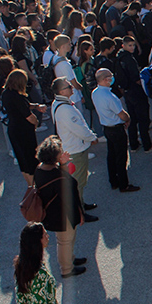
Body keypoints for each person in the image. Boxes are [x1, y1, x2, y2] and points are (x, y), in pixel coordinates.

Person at [33, 135, 88, 278]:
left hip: (52, 213)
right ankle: (67, 269)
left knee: (66, 240)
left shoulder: (40, 169)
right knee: (64, 241)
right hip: (62, 215)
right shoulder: (58, 176)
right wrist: (80, 214)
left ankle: (70, 258)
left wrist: (61, 164)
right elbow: (70, 188)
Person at [51, 79, 99, 213]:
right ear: (61, 91)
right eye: (68, 86)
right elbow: (79, 129)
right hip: (75, 150)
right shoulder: (65, 109)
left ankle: (81, 203)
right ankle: (79, 211)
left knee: (76, 181)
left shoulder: (57, 103)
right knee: (77, 181)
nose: (72, 87)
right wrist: (92, 138)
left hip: (69, 147)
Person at [92, 68, 139, 193]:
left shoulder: (95, 93)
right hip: (117, 128)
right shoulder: (110, 97)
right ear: (105, 79)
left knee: (111, 155)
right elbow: (122, 115)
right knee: (121, 157)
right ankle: (124, 185)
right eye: (110, 77)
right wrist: (128, 119)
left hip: (107, 128)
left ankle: (113, 181)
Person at [0, 70, 44, 186]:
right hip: (23, 131)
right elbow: (29, 117)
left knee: (22, 160)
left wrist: (35, 106)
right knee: (31, 160)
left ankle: (30, 186)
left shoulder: (6, 93)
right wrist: (36, 122)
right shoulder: (17, 97)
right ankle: (35, 186)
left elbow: (23, 106)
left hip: (13, 129)